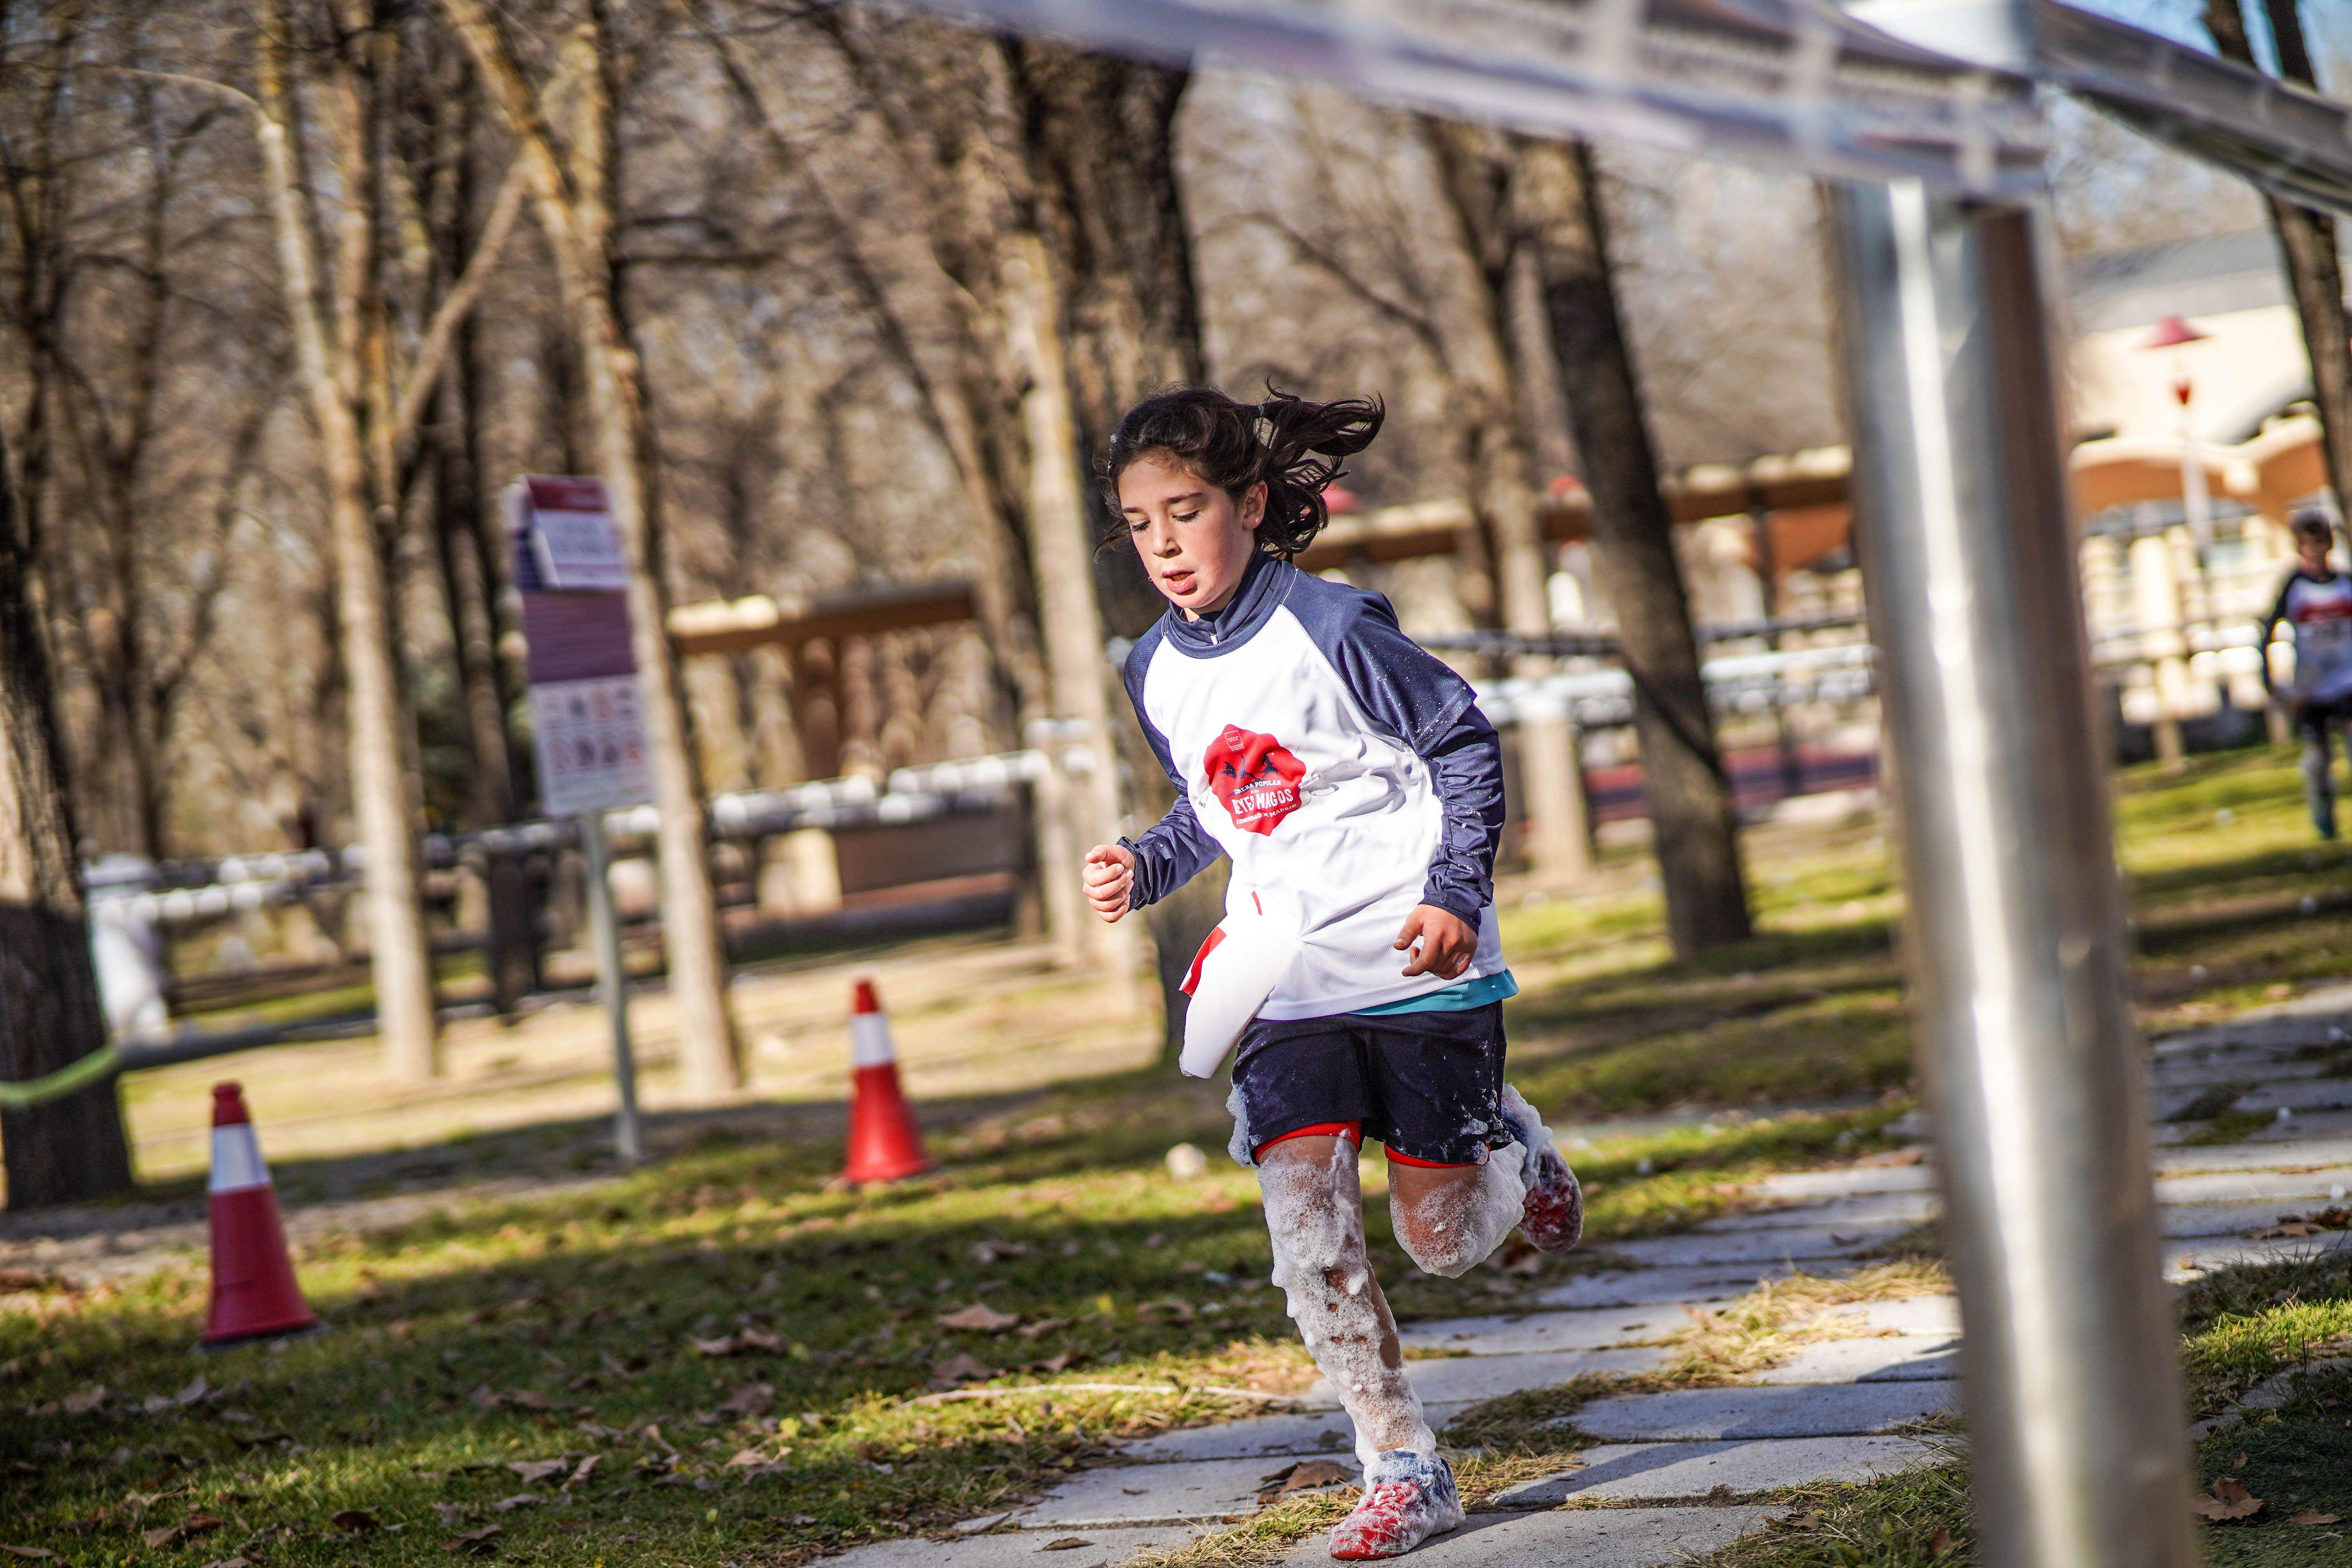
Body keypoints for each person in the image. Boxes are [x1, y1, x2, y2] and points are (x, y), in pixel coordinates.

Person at [1079, 387, 1582, 1561]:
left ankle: (1514, 1143)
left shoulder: (1336, 628)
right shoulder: (1151, 667)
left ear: (1250, 504)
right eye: (1137, 521)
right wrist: (1141, 864)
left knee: (1442, 1240)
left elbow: (1460, 740)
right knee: (1302, 1226)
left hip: (1415, 967)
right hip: (1286, 982)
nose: (1162, 543)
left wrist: (1453, 896)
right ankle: (1400, 1461)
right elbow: (1215, 809)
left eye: (1185, 510)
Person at [2259, 509, 2352, 839]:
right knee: (2319, 758)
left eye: (2319, 543)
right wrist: (2270, 682)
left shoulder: (2345, 584)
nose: (2314, 551)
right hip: (2312, 684)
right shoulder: (2293, 587)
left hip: (2347, 680)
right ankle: (2325, 819)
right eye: (2307, 544)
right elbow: (2267, 632)